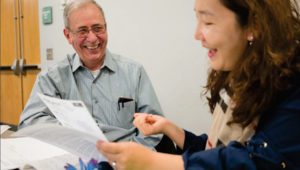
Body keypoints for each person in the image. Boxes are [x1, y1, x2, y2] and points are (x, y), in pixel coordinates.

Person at [96, 0, 300, 169]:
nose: (197, 34)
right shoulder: (238, 79)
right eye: (197, 19)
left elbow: (256, 161)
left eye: (209, 22)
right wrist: (170, 129)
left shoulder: (291, 87)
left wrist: (153, 161)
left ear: (254, 25)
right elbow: (217, 151)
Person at [18, 0, 164, 152]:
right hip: (74, 158)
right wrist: (74, 134)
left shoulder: (134, 72)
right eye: (82, 31)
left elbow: (154, 126)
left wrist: (129, 156)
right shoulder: (52, 77)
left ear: (106, 28)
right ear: (68, 35)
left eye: (97, 28)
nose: (93, 38)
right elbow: (29, 122)